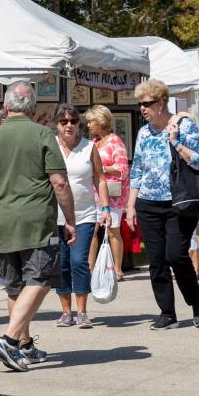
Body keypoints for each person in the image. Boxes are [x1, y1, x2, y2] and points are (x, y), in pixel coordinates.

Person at [0, 82, 76, 371]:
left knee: (15, 288)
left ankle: (24, 347)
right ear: (32, 108)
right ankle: (9, 341)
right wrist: (70, 220)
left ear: (5, 108)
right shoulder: (43, 134)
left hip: (3, 223)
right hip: (36, 222)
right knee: (40, 280)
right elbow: (59, 182)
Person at [123, 79, 199, 330]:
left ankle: (196, 301)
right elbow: (137, 169)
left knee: (176, 254)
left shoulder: (184, 125)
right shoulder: (143, 133)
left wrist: (176, 142)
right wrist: (131, 206)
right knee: (157, 260)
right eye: (140, 104)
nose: (142, 108)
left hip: (179, 203)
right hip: (148, 203)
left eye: (147, 103)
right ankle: (167, 313)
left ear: (162, 102)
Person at [51, 104, 111, 329]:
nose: (69, 125)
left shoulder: (89, 147)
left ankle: (82, 311)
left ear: (79, 124)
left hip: (84, 215)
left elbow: (100, 178)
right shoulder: (50, 147)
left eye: (73, 121)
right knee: (62, 264)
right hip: (55, 216)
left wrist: (105, 208)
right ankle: (66, 312)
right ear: (56, 124)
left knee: (79, 261)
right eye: (63, 121)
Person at [84, 106, 128, 282]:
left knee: (112, 231)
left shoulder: (115, 141)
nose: (88, 125)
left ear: (100, 122)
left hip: (112, 195)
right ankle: (90, 268)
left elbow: (123, 169)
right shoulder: (95, 142)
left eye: (91, 122)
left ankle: (117, 270)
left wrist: (101, 168)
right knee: (91, 231)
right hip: (95, 193)